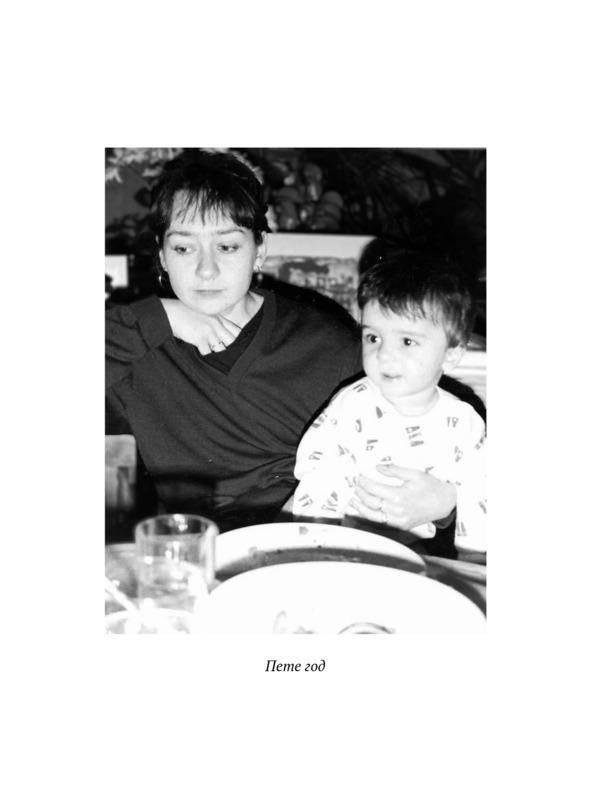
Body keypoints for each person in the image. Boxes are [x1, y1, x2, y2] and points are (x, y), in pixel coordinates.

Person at [106, 149, 456, 533]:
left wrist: (445, 502)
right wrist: (162, 316)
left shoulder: (322, 343)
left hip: (318, 541)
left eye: (227, 246)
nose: (206, 270)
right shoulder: (136, 344)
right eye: (183, 248)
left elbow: (443, 427)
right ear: (162, 256)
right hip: (204, 548)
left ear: (259, 252)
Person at [292, 254, 486, 553]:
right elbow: (319, 473)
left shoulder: (464, 423)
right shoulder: (352, 404)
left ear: (451, 355)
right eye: (373, 338)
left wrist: (472, 560)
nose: (384, 354)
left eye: (407, 341)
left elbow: (479, 497)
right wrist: (315, 542)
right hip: (342, 537)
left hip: (413, 547)